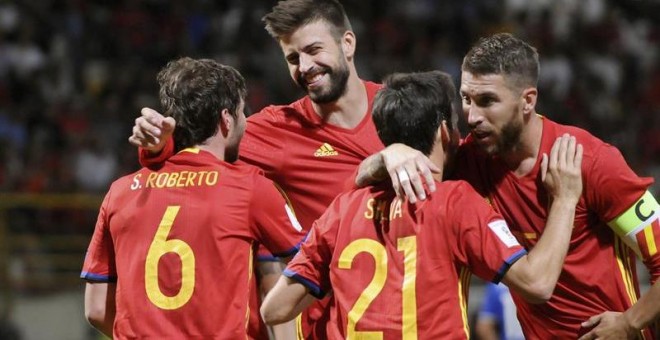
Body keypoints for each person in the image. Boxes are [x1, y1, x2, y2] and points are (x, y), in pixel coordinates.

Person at [128, 0, 438, 338]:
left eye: (313, 50)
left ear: (347, 43)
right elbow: (197, 157)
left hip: (415, 319)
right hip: (329, 329)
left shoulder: (406, 112)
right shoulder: (275, 130)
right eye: (293, 58)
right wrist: (157, 148)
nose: (305, 66)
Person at [357, 32, 660, 338]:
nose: (472, 117)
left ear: (527, 100)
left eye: (487, 101)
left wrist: (630, 322)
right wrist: (388, 156)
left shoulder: (589, 162)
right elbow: (362, 181)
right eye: (466, 99)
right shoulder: (467, 163)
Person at [259, 70, 583, 338]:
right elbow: (538, 284)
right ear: (445, 131)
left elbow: (274, 310)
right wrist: (566, 199)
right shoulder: (453, 201)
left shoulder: (342, 209)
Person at [80, 57, 305, 339]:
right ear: (226, 120)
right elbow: (312, 262)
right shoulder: (249, 188)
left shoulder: (121, 191)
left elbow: (97, 309)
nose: (245, 123)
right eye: (241, 113)